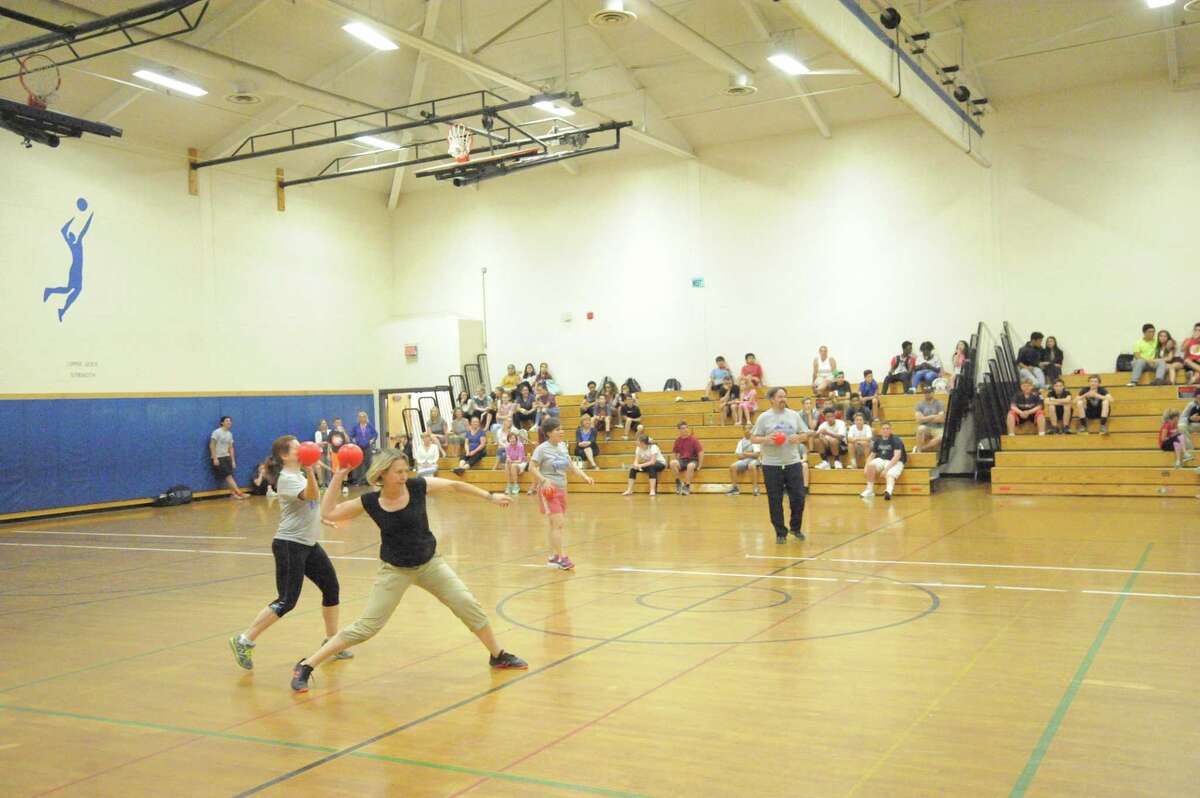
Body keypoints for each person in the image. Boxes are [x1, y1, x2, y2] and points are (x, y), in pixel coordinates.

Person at [289, 451, 528, 692]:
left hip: (430, 564)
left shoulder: (417, 486)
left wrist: (490, 496)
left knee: (467, 604)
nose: (404, 476)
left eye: (406, 470)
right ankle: (306, 665)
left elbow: (454, 485)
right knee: (366, 627)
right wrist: (339, 475)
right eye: (398, 472)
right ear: (383, 473)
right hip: (395, 570)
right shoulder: (370, 501)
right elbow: (328, 513)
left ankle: (497, 655)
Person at [229, 436, 350, 672]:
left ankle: (331, 642)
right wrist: (311, 471)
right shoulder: (286, 478)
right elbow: (311, 496)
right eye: (297, 448)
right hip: (289, 546)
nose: (303, 449)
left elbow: (308, 506)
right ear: (285, 455)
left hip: (308, 544)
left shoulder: (299, 475)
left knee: (331, 587)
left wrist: (321, 518)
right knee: (286, 600)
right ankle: (244, 640)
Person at [529, 418, 595, 570]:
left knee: (555, 525)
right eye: (557, 429)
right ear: (548, 433)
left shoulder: (563, 446)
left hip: (562, 489)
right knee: (558, 524)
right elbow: (532, 467)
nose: (561, 432)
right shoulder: (541, 449)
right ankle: (560, 557)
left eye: (562, 429)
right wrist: (543, 480)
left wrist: (585, 476)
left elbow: (571, 466)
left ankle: (553, 556)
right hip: (548, 490)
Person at [750, 387, 808, 543]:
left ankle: (795, 528)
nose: (783, 399)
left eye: (784, 396)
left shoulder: (794, 415)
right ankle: (780, 532)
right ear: (772, 399)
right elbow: (753, 438)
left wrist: (799, 438)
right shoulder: (764, 417)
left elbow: (805, 434)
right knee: (775, 500)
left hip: (792, 462)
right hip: (771, 465)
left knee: (798, 498)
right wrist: (766, 439)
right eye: (780, 396)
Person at [860, 421, 906, 500]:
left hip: (895, 461)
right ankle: (869, 490)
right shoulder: (878, 440)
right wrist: (866, 467)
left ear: (890, 430)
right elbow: (872, 455)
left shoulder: (896, 440)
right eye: (883, 429)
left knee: (890, 474)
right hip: (882, 459)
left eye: (887, 429)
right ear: (881, 430)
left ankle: (888, 491)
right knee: (870, 466)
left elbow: (897, 456)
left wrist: (886, 470)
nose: (885, 430)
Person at [210, 416, 248, 499]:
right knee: (228, 476)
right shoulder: (216, 432)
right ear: (222, 422)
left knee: (229, 476)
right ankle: (239, 493)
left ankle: (233, 494)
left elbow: (231, 448)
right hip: (219, 457)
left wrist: (233, 460)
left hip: (227, 457)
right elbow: (212, 445)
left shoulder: (230, 434)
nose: (229, 422)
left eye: (230, 421)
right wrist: (215, 458)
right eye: (227, 421)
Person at [669, 421, 705, 495]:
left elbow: (700, 452)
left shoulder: (693, 440)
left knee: (690, 466)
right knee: (672, 463)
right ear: (679, 430)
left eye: (686, 428)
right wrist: (676, 462)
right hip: (682, 460)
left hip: (693, 460)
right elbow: (674, 452)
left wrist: (700, 465)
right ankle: (679, 482)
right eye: (683, 428)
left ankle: (687, 486)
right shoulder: (678, 440)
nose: (685, 429)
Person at [726, 425, 762, 496]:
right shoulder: (741, 442)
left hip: (755, 460)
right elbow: (738, 456)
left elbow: (756, 455)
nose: (747, 430)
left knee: (751, 465)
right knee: (732, 466)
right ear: (743, 431)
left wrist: (745, 454)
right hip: (744, 460)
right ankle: (735, 488)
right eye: (745, 429)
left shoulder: (755, 440)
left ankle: (755, 488)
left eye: (749, 429)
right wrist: (749, 454)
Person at [913, 387, 946, 453]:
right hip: (926, 428)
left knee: (942, 436)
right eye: (925, 392)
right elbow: (919, 420)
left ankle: (921, 449)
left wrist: (924, 418)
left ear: (933, 393)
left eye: (929, 392)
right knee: (920, 429)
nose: (927, 394)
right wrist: (933, 416)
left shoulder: (940, 403)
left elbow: (941, 419)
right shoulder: (919, 404)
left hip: (938, 428)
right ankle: (919, 451)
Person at [350, 411, 377, 486]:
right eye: (360, 417)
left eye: (363, 416)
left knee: (368, 463)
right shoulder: (356, 427)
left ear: (366, 417)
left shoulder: (370, 426)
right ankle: (359, 481)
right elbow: (351, 435)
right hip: (359, 448)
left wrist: (372, 440)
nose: (362, 418)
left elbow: (375, 434)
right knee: (359, 464)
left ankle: (368, 480)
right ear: (358, 418)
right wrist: (354, 441)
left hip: (367, 447)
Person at [1178, 395, 1200, 461]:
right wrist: (1190, 418)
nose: (1198, 399)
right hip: (1194, 425)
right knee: (1181, 427)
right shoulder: (1191, 405)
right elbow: (1182, 417)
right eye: (1197, 397)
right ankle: (1191, 452)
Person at [313, 419, 333, 487]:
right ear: (320, 425)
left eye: (325, 423)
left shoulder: (330, 431)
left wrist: (324, 443)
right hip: (321, 452)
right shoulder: (317, 433)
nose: (324, 424)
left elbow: (331, 442)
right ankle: (322, 483)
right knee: (322, 468)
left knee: (329, 467)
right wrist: (324, 443)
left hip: (329, 452)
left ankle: (329, 482)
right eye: (322, 423)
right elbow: (317, 443)